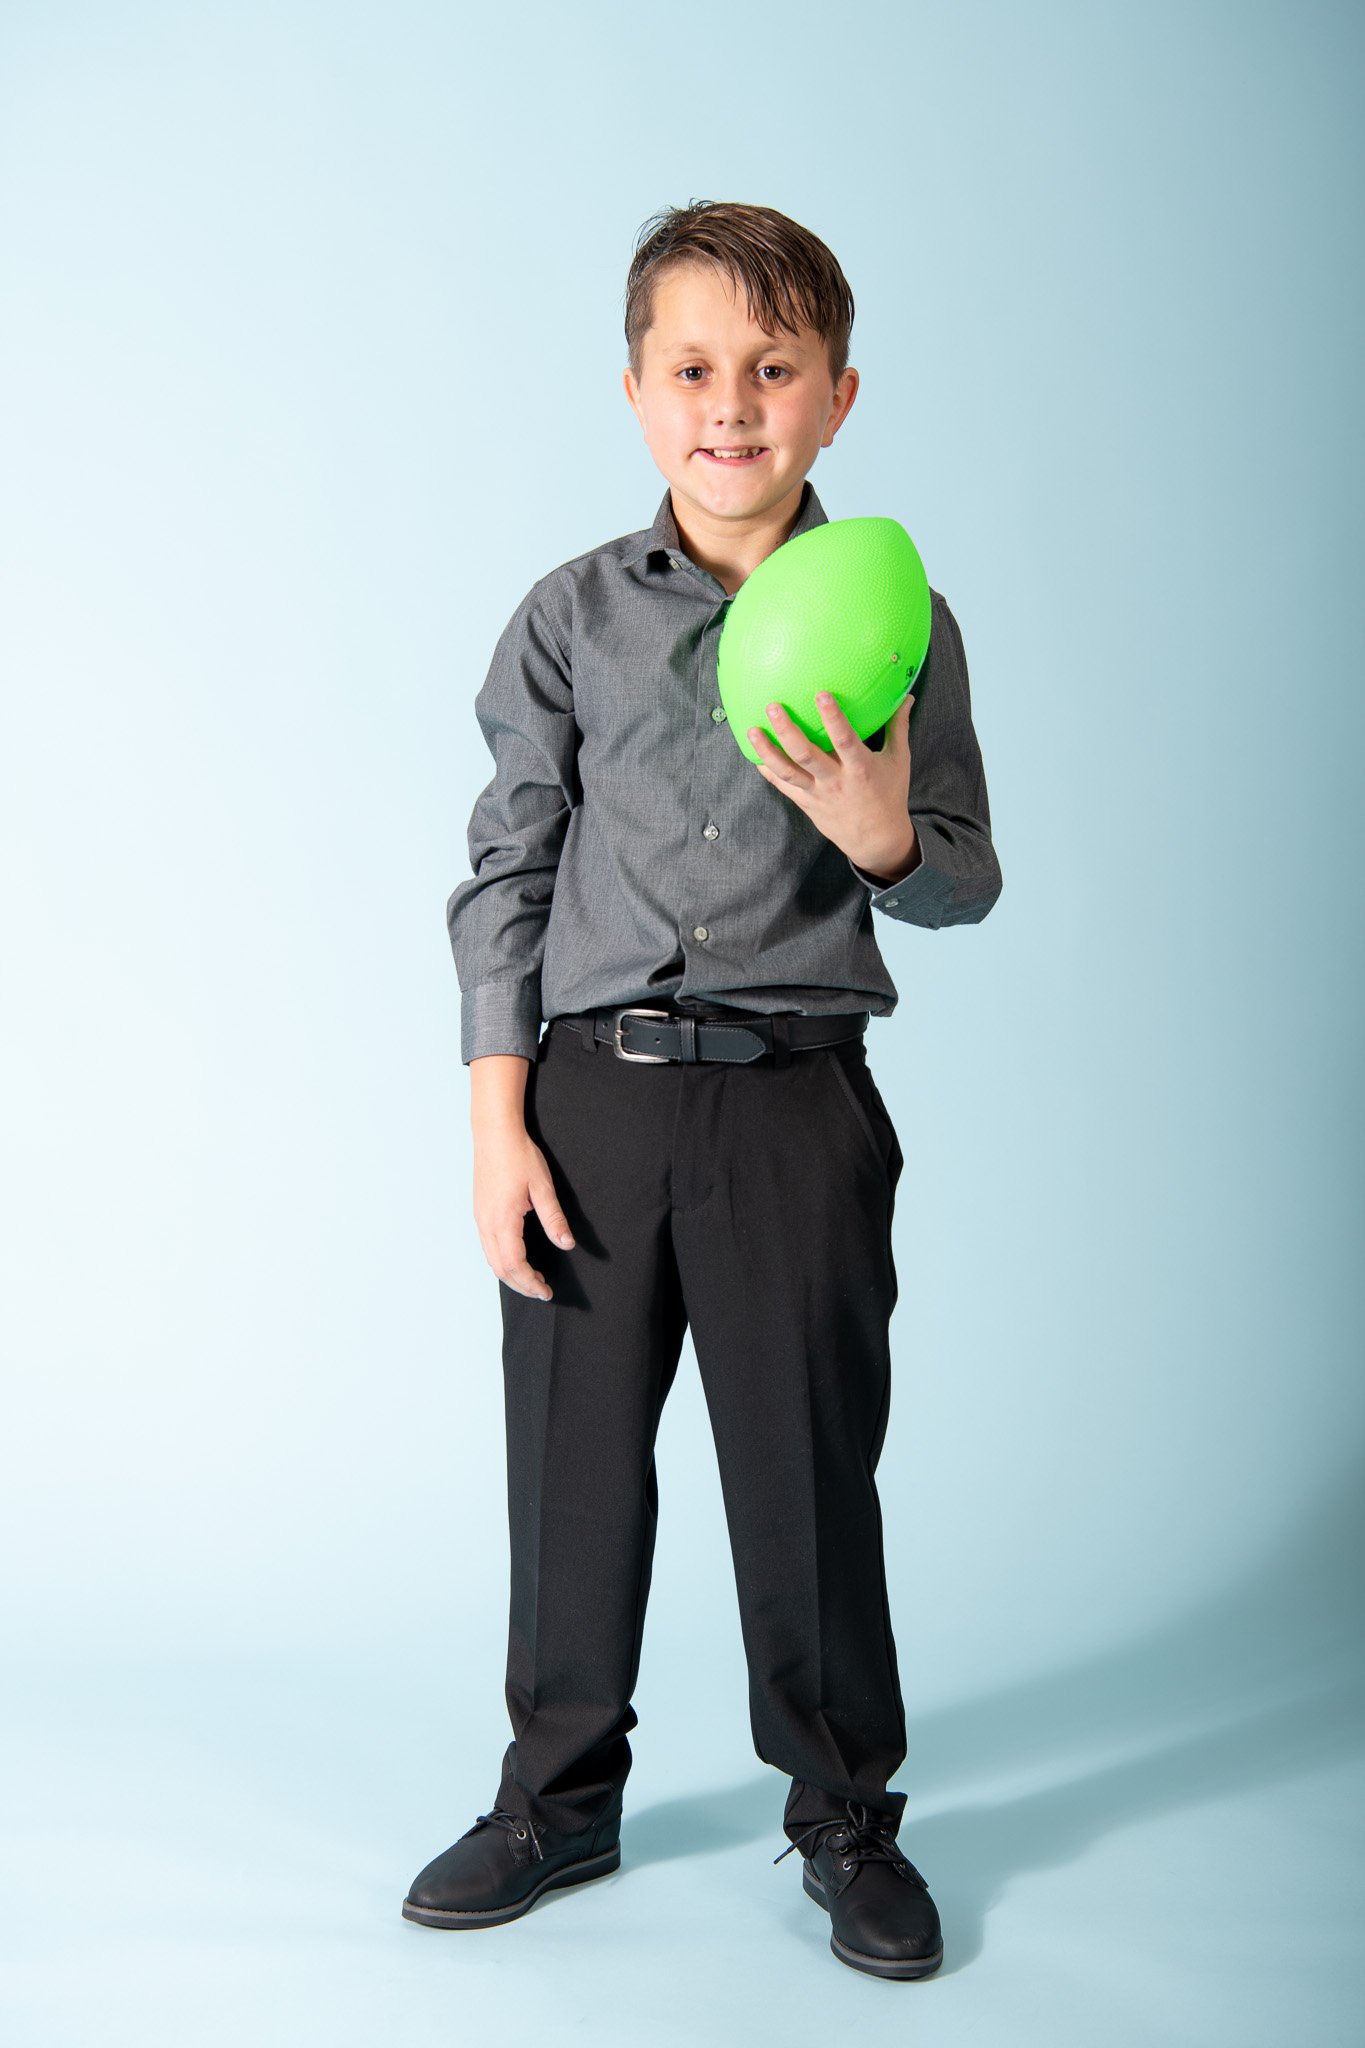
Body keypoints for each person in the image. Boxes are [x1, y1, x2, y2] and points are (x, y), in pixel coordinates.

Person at [403, 199, 1003, 1980]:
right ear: (635, 390)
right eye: (691, 369)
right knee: (572, 1463)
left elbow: (961, 870)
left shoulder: (904, 615)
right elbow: (505, 872)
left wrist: (889, 837)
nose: (729, 404)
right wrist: (498, 1120)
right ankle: (555, 1797)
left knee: (806, 1470)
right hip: (591, 1100)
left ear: (833, 397)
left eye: (771, 369)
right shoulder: (569, 617)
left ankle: (841, 1819)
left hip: (796, 1098)